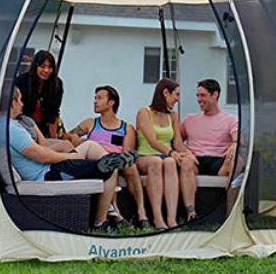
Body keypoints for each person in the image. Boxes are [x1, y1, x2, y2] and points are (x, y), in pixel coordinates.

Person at [2, 87, 136, 233]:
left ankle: (110, 203)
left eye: (99, 98)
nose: (22, 104)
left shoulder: (8, 126)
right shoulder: (11, 129)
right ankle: (101, 221)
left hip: (49, 167)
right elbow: (42, 156)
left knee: (91, 146)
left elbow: (42, 150)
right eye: (19, 100)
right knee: (109, 168)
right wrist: (69, 156)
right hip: (48, 173)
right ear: (12, 103)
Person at [64, 85, 153, 229]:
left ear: (111, 102)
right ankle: (115, 211)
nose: (95, 102)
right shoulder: (91, 123)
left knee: (126, 165)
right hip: (96, 162)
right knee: (111, 164)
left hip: (116, 160)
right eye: (95, 98)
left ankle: (141, 212)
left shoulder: (126, 128)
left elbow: (127, 153)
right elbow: (66, 136)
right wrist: (73, 136)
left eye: (99, 98)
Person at [135, 78, 192, 230]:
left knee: (170, 163)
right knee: (157, 162)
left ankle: (171, 219)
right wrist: (170, 152)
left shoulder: (172, 116)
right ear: (165, 93)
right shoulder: (144, 113)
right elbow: (152, 140)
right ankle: (157, 217)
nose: (178, 100)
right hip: (145, 156)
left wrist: (189, 154)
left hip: (167, 156)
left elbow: (178, 143)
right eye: (176, 95)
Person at [178, 79, 239, 221]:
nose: (199, 100)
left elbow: (237, 139)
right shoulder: (190, 119)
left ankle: (230, 214)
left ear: (215, 95)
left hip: (218, 162)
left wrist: (234, 144)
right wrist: (185, 152)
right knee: (186, 162)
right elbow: (176, 141)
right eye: (198, 96)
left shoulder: (230, 119)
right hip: (196, 161)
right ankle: (190, 213)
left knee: (236, 160)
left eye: (203, 95)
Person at [14, 50, 64, 139]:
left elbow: (54, 113)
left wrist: (53, 138)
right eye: (42, 66)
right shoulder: (22, 81)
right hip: (24, 127)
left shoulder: (57, 84)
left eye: (50, 67)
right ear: (35, 67)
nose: (46, 70)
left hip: (45, 129)